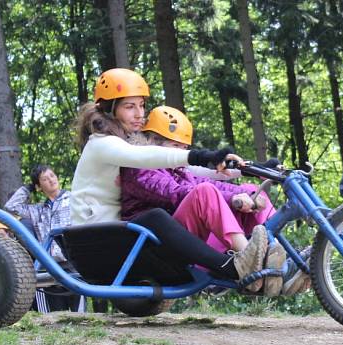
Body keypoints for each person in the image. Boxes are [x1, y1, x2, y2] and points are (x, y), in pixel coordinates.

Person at [70, 68, 268, 293]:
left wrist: (250, 170)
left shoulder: (122, 142)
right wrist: (200, 155)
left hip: (118, 236)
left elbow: (192, 171)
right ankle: (235, 265)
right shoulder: (102, 144)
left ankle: (266, 257)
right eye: (129, 106)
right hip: (93, 241)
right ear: (109, 108)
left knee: (237, 192)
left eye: (142, 105)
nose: (139, 114)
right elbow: (145, 157)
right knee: (155, 217)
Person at [120, 106, 291, 295]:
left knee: (251, 190)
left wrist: (246, 195)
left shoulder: (179, 170)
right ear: (153, 141)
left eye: (184, 148)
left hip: (180, 237)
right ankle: (249, 261)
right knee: (204, 193)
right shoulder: (140, 167)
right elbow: (175, 193)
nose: (180, 153)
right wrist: (233, 198)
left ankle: (281, 261)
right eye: (175, 147)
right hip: (154, 242)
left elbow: (214, 184)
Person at [5, 164, 85, 313]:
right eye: (44, 179)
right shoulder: (38, 210)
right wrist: (29, 188)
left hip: (72, 262)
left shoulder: (74, 199)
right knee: (54, 314)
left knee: (79, 313)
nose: (51, 180)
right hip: (49, 266)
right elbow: (11, 207)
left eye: (52, 176)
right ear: (39, 186)